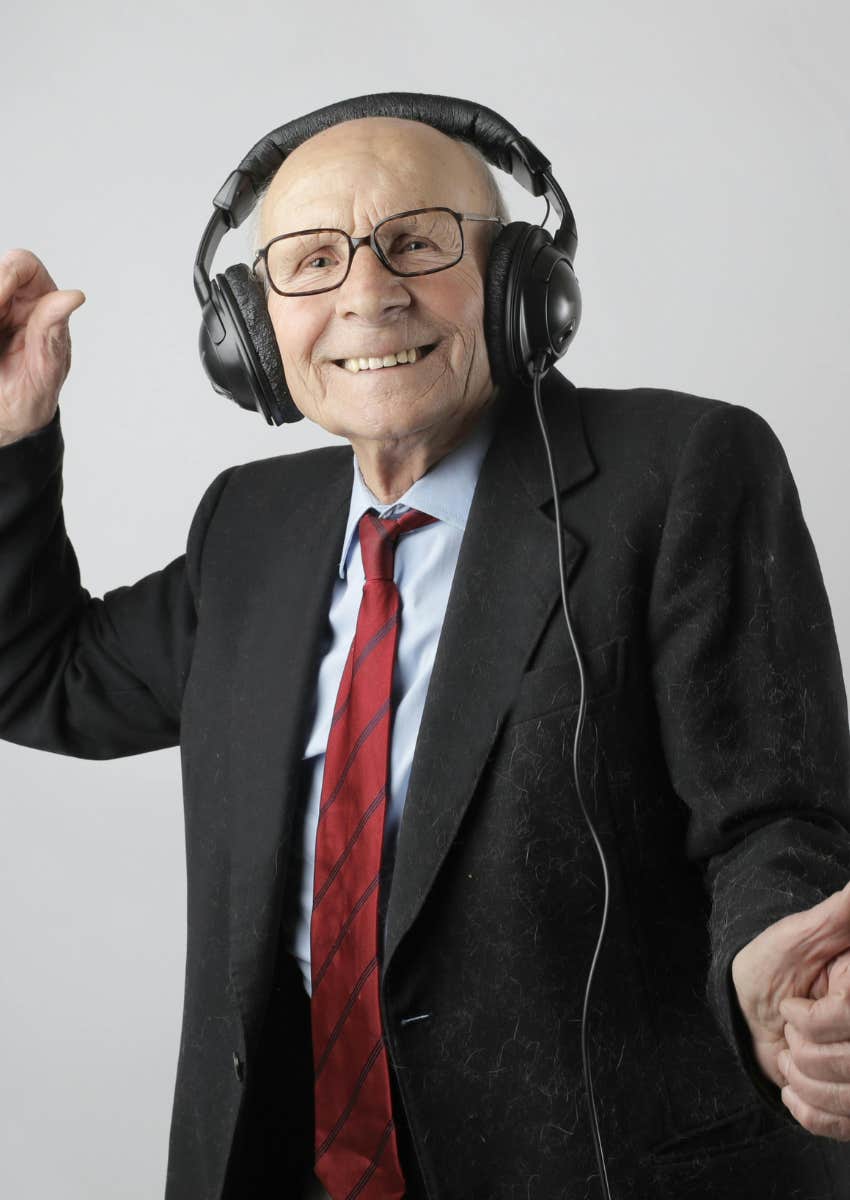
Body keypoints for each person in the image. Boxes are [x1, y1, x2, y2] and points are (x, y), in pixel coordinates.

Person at [1, 109, 849, 1200]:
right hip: (290, 1164)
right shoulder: (247, 527)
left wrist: (778, 964)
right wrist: (12, 439)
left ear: (521, 285)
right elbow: (40, 676)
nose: (366, 293)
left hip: (591, 1163)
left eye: (417, 242)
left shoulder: (681, 471)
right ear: (250, 330)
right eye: (312, 262)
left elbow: (769, 813)